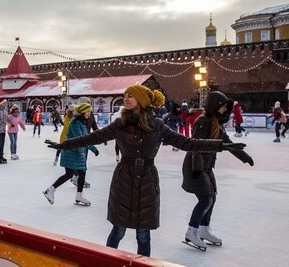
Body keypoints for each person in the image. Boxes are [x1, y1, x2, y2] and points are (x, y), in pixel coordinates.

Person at [45, 84, 246, 257]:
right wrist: (64, 145)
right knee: (118, 229)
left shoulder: (157, 126)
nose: (126, 98)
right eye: (126, 95)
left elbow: (187, 143)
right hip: (124, 178)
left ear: (141, 100)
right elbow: (91, 138)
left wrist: (220, 145)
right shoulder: (120, 124)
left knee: (143, 233)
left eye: (131, 95)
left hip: (148, 180)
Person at [181, 91, 254, 251]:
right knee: (206, 199)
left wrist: (245, 157)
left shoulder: (216, 122)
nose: (224, 110)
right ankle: (191, 231)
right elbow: (196, 145)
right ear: (214, 106)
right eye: (222, 106)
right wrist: (197, 168)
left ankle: (204, 229)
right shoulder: (203, 121)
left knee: (212, 198)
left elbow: (226, 142)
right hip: (196, 166)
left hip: (206, 167)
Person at [43, 103, 98, 206]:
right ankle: (50, 190)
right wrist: (93, 148)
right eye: (87, 111)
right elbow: (81, 139)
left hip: (78, 152)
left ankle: (79, 195)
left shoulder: (82, 122)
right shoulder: (75, 123)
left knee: (82, 172)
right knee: (69, 174)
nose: (89, 113)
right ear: (82, 112)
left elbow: (84, 138)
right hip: (71, 152)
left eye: (90, 111)